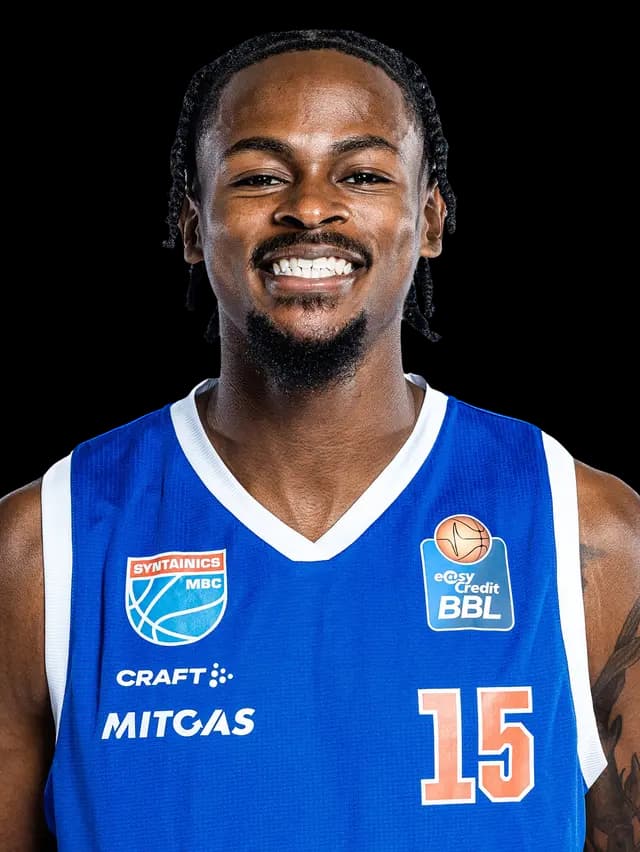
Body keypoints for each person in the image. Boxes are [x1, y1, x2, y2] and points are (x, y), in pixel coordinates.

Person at [0, 27, 638, 851]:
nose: (308, 207)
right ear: (191, 225)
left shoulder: (586, 531)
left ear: (430, 218)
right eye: (260, 176)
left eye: (362, 174)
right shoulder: (41, 550)